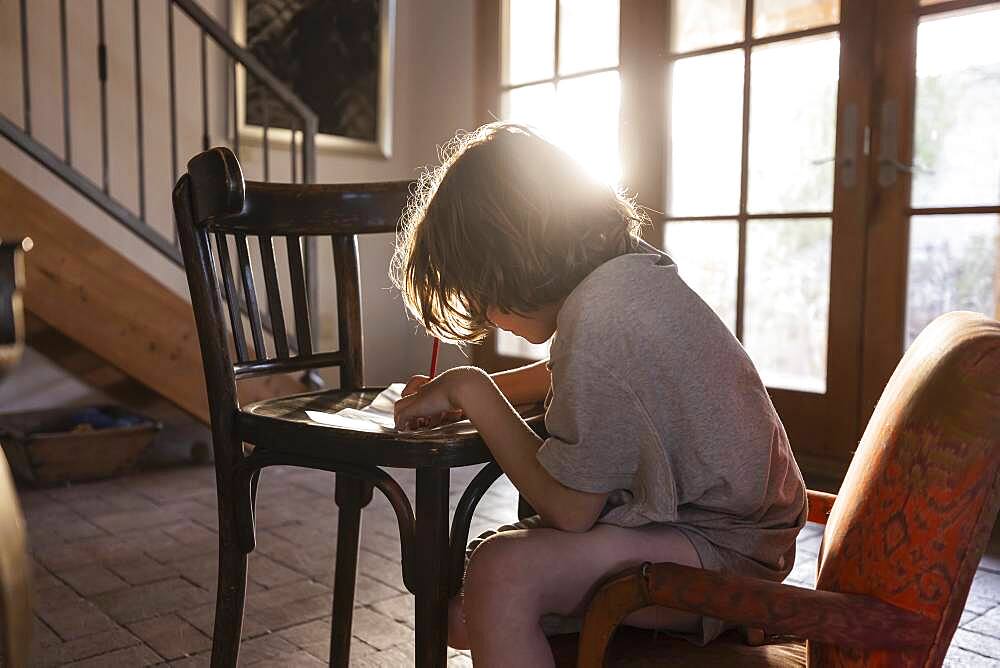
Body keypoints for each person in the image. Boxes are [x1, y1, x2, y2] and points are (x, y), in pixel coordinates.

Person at [389, 122, 807, 666]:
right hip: (741, 532)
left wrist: (472, 389)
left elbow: (569, 510)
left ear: (516, 263)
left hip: (729, 548)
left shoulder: (599, 321)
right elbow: (586, 376)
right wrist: (472, 394)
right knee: (467, 615)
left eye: (486, 296)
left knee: (502, 573)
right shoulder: (624, 277)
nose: (490, 317)